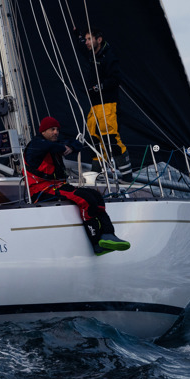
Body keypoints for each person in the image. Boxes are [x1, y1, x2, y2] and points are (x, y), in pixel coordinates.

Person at [24, 116, 130, 255]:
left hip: (57, 186)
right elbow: (50, 147)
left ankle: (109, 234)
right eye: (52, 129)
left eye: (57, 130)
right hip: (41, 190)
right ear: (43, 131)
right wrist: (64, 147)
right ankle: (96, 243)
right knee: (85, 199)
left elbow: (77, 144)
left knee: (96, 196)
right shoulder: (35, 145)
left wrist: (71, 147)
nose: (56, 132)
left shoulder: (54, 143)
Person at [80, 28, 133, 181]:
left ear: (99, 40)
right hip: (95, 106)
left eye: (89, 39)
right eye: (86, 39)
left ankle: (127, 178)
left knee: (111, 139)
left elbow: (116, 79)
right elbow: (81, 45)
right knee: (94, 140)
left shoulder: (108, 57)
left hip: (108, 105)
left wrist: (100, 86)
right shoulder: (92, 54)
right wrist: (77, 35)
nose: (86, 42)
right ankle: (96, 175)